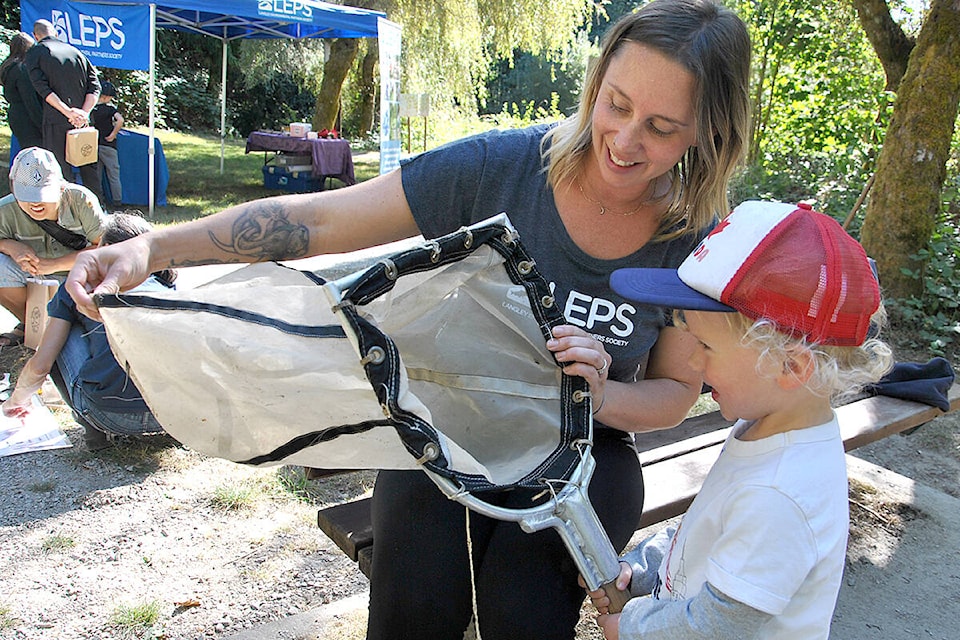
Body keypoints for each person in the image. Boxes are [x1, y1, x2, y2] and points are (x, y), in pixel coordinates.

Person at [65, 1, 751, 637]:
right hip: (448, 431)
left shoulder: (696, 239)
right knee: (414, 604)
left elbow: (674, 396)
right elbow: (321, 219)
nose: (624, 140)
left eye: (661, 129)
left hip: (587, 453)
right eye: (616, 104)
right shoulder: (500, 169)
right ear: (597, 83)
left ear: (708, 133)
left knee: (524, 610)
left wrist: (600, 393)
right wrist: (152, 246)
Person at [587, 200, 894, 639]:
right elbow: (709, 527)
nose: (690, 362)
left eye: (705, 347)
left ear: (790, 367)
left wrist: (631, 627)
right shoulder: (771, 427)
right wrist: (647, 569)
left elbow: (721, 623)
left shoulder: (779, 493)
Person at [2, 211, 174, 450]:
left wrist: (16, 400)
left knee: (59, 331)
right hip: (174, 415)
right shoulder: (167, 287)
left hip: (109, 413)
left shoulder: (79, 287)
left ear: (103, 247)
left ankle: (95, 434)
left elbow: (41, 364)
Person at [0, 146, 106, 346]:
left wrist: (54, 264)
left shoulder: (81, 200)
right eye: (27, 195)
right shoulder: (5, 210)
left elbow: (105, 248)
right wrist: (10, 246)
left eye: (44, 194)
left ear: (61, 187)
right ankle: (32, 324)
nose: (36, 204)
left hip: (79, 279)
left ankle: (65, 326)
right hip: (34, 279)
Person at [24, 19, 104, 206]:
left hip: (56, 119)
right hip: (83, 122)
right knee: (89, 168)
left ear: (36, 36)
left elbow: (42, 89)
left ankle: (66, 210)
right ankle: (98, 208)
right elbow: (95, 87)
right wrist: (83, 113)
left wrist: (68, 112)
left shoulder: (35, 53)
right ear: (56, 33)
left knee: (59, 168)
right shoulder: (77, 52)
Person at [0, 32, 43, 149]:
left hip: (16, 115)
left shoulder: (8, 67)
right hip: (27, 119)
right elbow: (30, 100)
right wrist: (42, 125)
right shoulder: (22, 69)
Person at [91, 81, 124, 207]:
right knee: (113, 175)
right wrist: (113, 134)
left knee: (97, 175)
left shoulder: (91, 108)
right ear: (106, 97)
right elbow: (120, 120)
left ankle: (99, 201)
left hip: (94, 145)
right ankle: (117, 202)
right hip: (108, 146)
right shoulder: (109, 109)